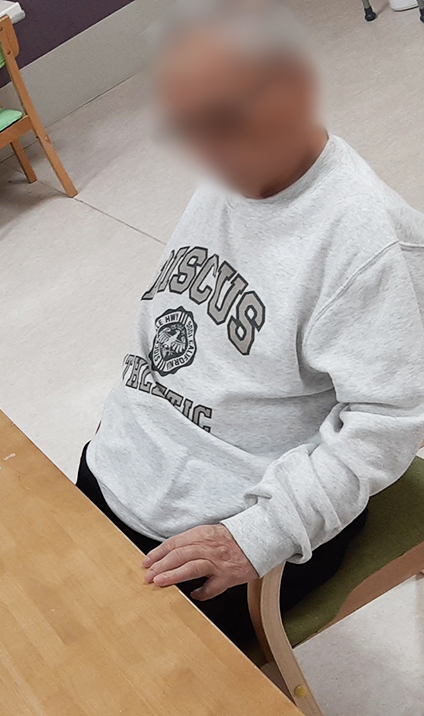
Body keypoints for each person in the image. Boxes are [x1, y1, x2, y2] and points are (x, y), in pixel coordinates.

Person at [80, 0, 424, 647]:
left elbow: (386, 428)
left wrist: (258, 536)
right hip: (116, 476)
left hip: (221, 532)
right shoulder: (234, 170)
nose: (207, 152)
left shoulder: (372, 242)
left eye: (224, 123)